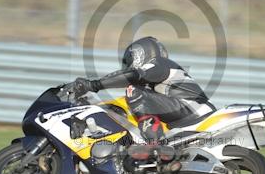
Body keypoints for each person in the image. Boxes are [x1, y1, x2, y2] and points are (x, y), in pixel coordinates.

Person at [72, 36, 215, 142]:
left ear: (139, 54)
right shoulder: (157, 82)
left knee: (132, 90)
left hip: (193, 110)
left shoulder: (159, 64)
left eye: (129, 60)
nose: (128, 65)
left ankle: (154, 144)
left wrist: (93, 85)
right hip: (187, 117)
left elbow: (133, 76)